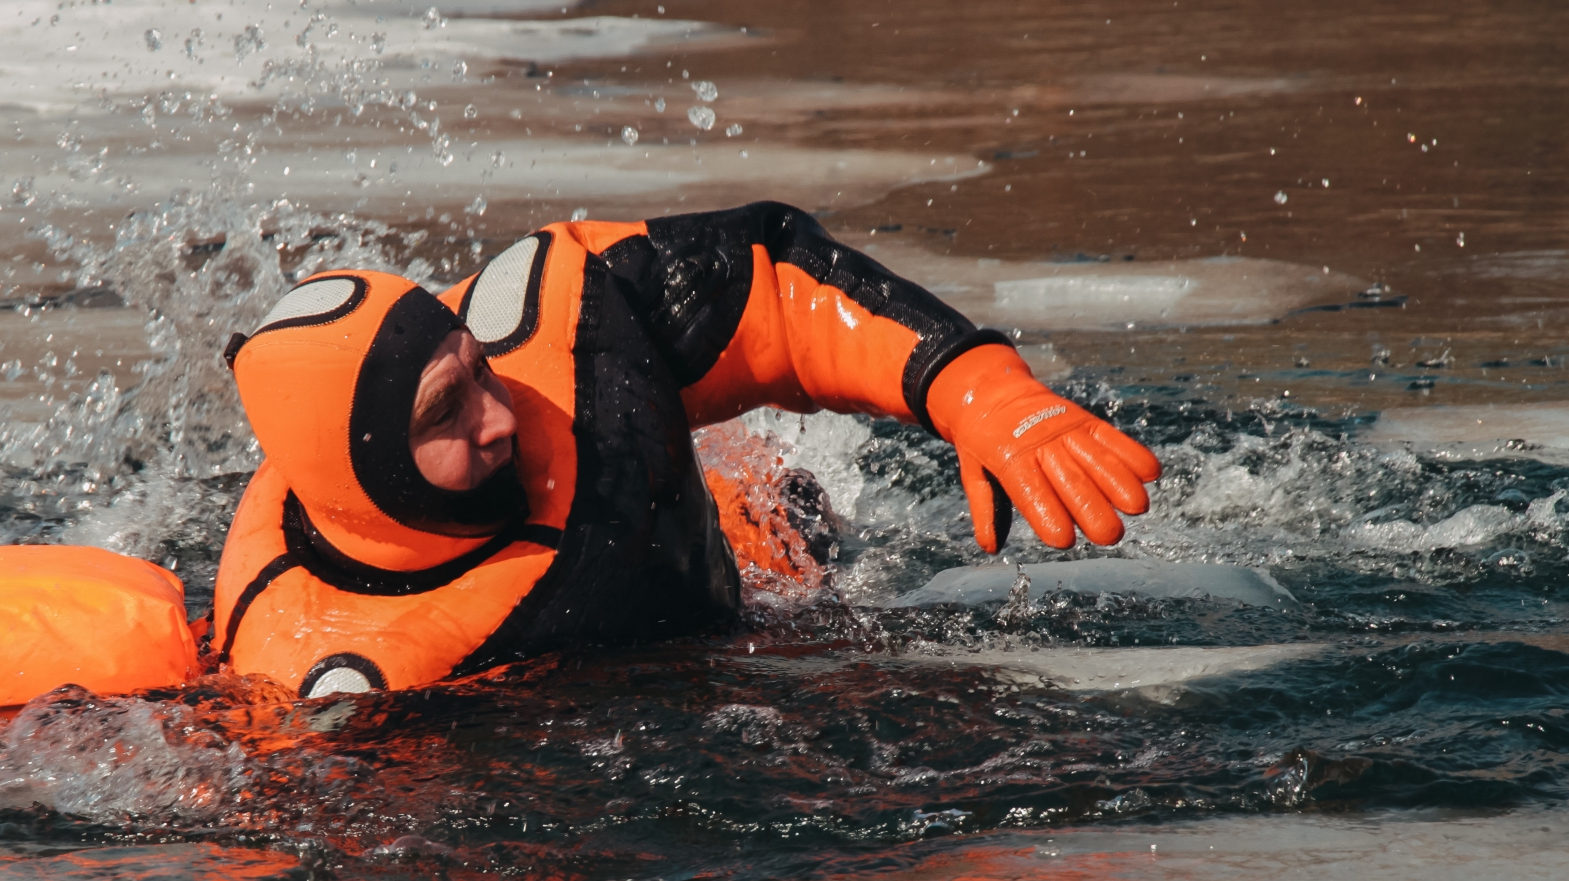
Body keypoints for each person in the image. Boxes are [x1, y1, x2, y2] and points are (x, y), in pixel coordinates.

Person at [210, 201, 1161, 699]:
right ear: (360, 482)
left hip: (745, 580)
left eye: (479, 370)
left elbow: (777, 288)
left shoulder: (570, 330)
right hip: (623, 715)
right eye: (444, 415)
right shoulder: (333, 671)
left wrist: (979, 390)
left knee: (800, 538)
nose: (500, 417)